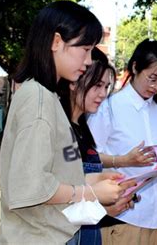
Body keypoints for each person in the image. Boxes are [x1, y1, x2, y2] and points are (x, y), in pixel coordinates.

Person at [0, 0, 127, 244]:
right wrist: (89, 192)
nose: (89, 61)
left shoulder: (47, 97)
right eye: (84, 49)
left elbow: (51, 172)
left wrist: (93, 180)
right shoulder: (38, 100)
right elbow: (30, 186)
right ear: (56, 42)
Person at [88, 39, 157, 245]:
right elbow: (88, 160)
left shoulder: (156, 109)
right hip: (125, 216)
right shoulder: (109, 107)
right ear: (135, 67)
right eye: (153, 78)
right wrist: (123, 160)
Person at [58, 48, 138, 245]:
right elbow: (51, 199)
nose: (103, 94)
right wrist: (101, 207)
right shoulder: (57, 127)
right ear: (74, 81)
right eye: (97, 85)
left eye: (106, 87)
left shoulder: (82, 127)